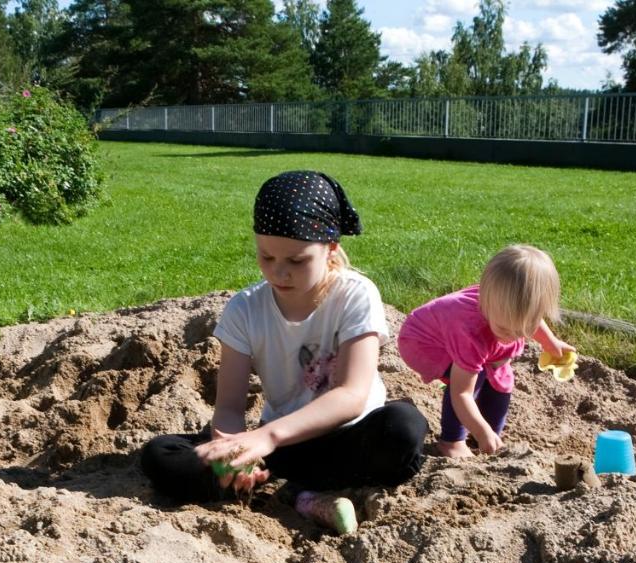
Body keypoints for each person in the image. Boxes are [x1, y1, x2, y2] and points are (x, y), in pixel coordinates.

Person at [141, 171, 429, 534]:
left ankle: (291, 492)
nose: (279, 272)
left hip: (351, 439)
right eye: (266, 256)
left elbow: (352, 396)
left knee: (404, 428)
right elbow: (229, 407)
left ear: (331, 249)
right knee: (161, 455)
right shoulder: (245, 309)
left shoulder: (356, 294)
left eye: (297, 261)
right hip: (282, 450)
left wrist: (267, 437)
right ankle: (297, 495)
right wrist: (234, 455)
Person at [397, 244, 573, 459]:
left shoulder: (513, 313)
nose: (514, 335)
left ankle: (489, 432)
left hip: (462, 336)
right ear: (487, 302)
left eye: (523, 328)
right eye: (505, 328)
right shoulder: (470, 331)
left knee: (501, 380)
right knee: (474, 376)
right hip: (423, 342)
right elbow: (462, 393)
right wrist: (481, 431)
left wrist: (550, 342)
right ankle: (452, 441)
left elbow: (533, 321)